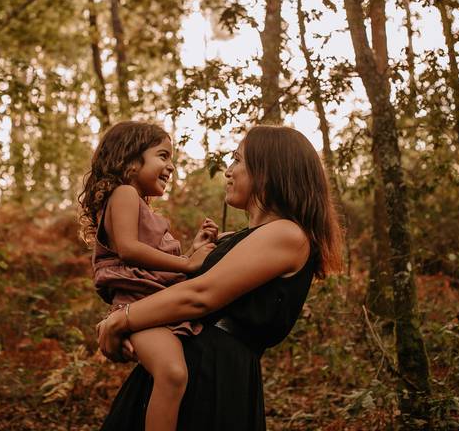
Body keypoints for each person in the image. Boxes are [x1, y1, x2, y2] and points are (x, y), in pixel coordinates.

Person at [96, 125, 343, 430]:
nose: (228, 171)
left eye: (237, 160)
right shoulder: (235, 238)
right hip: (182, 370)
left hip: (215, 378)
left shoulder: (287, 233)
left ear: (268, 169)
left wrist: (122, 320)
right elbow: (171, 288)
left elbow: (200, 295)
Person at [78, 121, 219, 431]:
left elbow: (154, 257)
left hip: (157, 305)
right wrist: (188, 264)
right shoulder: (125, 193)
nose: (170, 166)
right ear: (130, 158)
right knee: (172, 374)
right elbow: (128, 249)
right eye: (162, 156)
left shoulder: (138, 204)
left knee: (178, 374)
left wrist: (193, 251)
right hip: (138, 306)